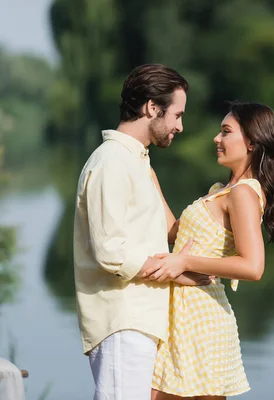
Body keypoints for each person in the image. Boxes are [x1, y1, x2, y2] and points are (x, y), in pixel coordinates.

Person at [73, 63, 210, 400]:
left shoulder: (135, 161)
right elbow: (111, 250)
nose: (180, 125)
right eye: (177, 115)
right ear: (152, 108)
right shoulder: (112, 162)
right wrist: (176, 272)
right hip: (123, 321)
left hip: (139, 320)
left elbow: (168, 230)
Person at [145, 102, 274, 399]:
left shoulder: (243, 193)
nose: (216, 138)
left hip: (200, 320)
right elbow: (174, 233)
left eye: (226, 132)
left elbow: (253, 267)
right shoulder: (223, 190)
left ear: (252, 142)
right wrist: (150, 178)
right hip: (182, 317)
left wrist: (185, 261)